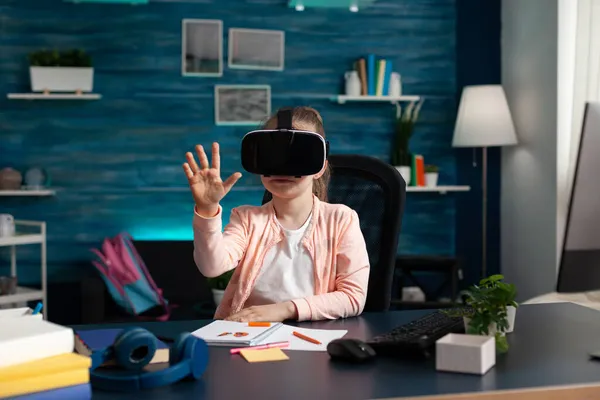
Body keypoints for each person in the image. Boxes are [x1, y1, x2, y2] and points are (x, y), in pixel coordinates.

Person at [183, 106, 370, 322]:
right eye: (274, 155)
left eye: (298, 157)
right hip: (249, 335)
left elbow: (353, 297)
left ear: (319, 166)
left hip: (316, 338)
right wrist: (207, 209)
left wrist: (283, 310)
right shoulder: (246, 219)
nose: (284, 169)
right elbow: (211, 267)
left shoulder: (340, 220)